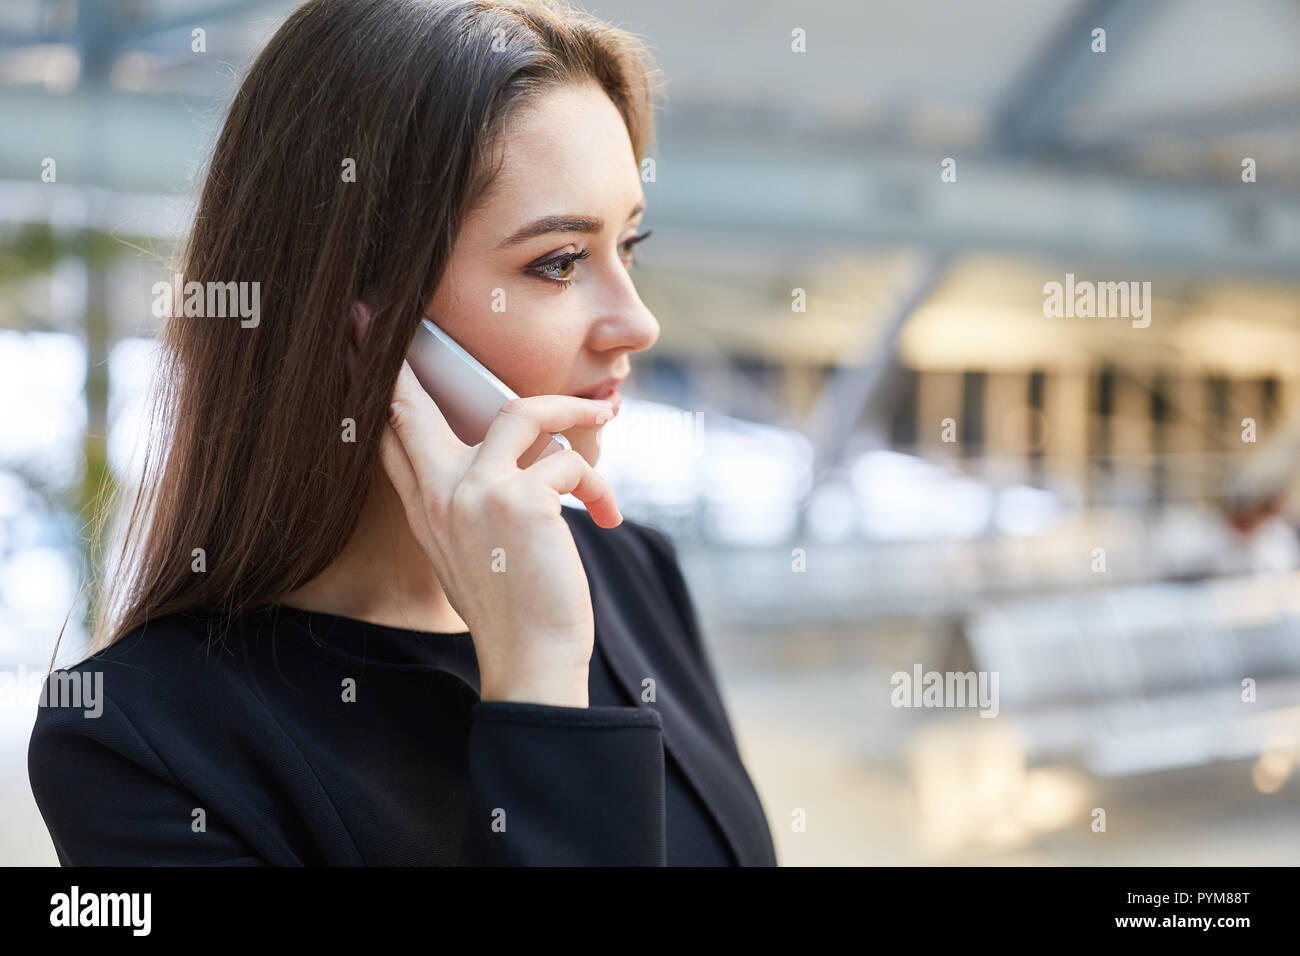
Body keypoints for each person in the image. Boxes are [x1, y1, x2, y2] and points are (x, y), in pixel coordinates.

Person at [28, 0, 777, 866]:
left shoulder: (628, 571)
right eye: (560, 262)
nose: (637, 322)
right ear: (366, 322)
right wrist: (537, 677)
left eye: (630, 245)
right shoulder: (144, 741)